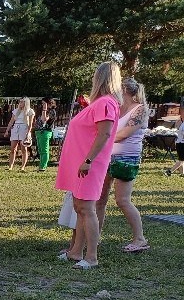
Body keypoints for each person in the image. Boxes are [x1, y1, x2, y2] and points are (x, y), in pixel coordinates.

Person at [56, 62, 121, 269]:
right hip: (81, 164)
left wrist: (88, 160)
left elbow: (105, 133)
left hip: (89, 164)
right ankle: (76, 251)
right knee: (79, 207)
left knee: (87, 208)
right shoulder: (100, 102)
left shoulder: (106, 103)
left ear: (101, 78)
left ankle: (91, 256)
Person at [96, 78, 150, 253]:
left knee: (122, 200)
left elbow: (124, 133)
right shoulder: (116, 108)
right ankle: (94, 235)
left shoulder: (140, 109)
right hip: (107, 156)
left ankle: (140, 238)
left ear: (125, 90)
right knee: (100, 199)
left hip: (127, 159)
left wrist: (102, 138)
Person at [6, 97, 35, 171]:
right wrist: (7, 130)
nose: (20, 103)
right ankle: (11, 166)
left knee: (23, 149)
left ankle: (22, 166)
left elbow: (30, 124)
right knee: (13, 148)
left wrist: (28, 132)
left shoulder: (30, 111)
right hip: (16, 128)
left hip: (24, 128)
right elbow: (11, 121)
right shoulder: (16, 111)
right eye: (20, 102)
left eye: (22, 102)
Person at [34, 99, 55, 171]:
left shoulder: (51, 111)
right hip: (39, 132)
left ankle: (43, 167)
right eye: (42, 103)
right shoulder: (41, 111)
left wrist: (45, 109)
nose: (42, 105)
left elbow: (44, 119)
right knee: (40, 150)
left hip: (45, 132)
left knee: (44, 150)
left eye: (44, 103)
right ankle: (41, 165)